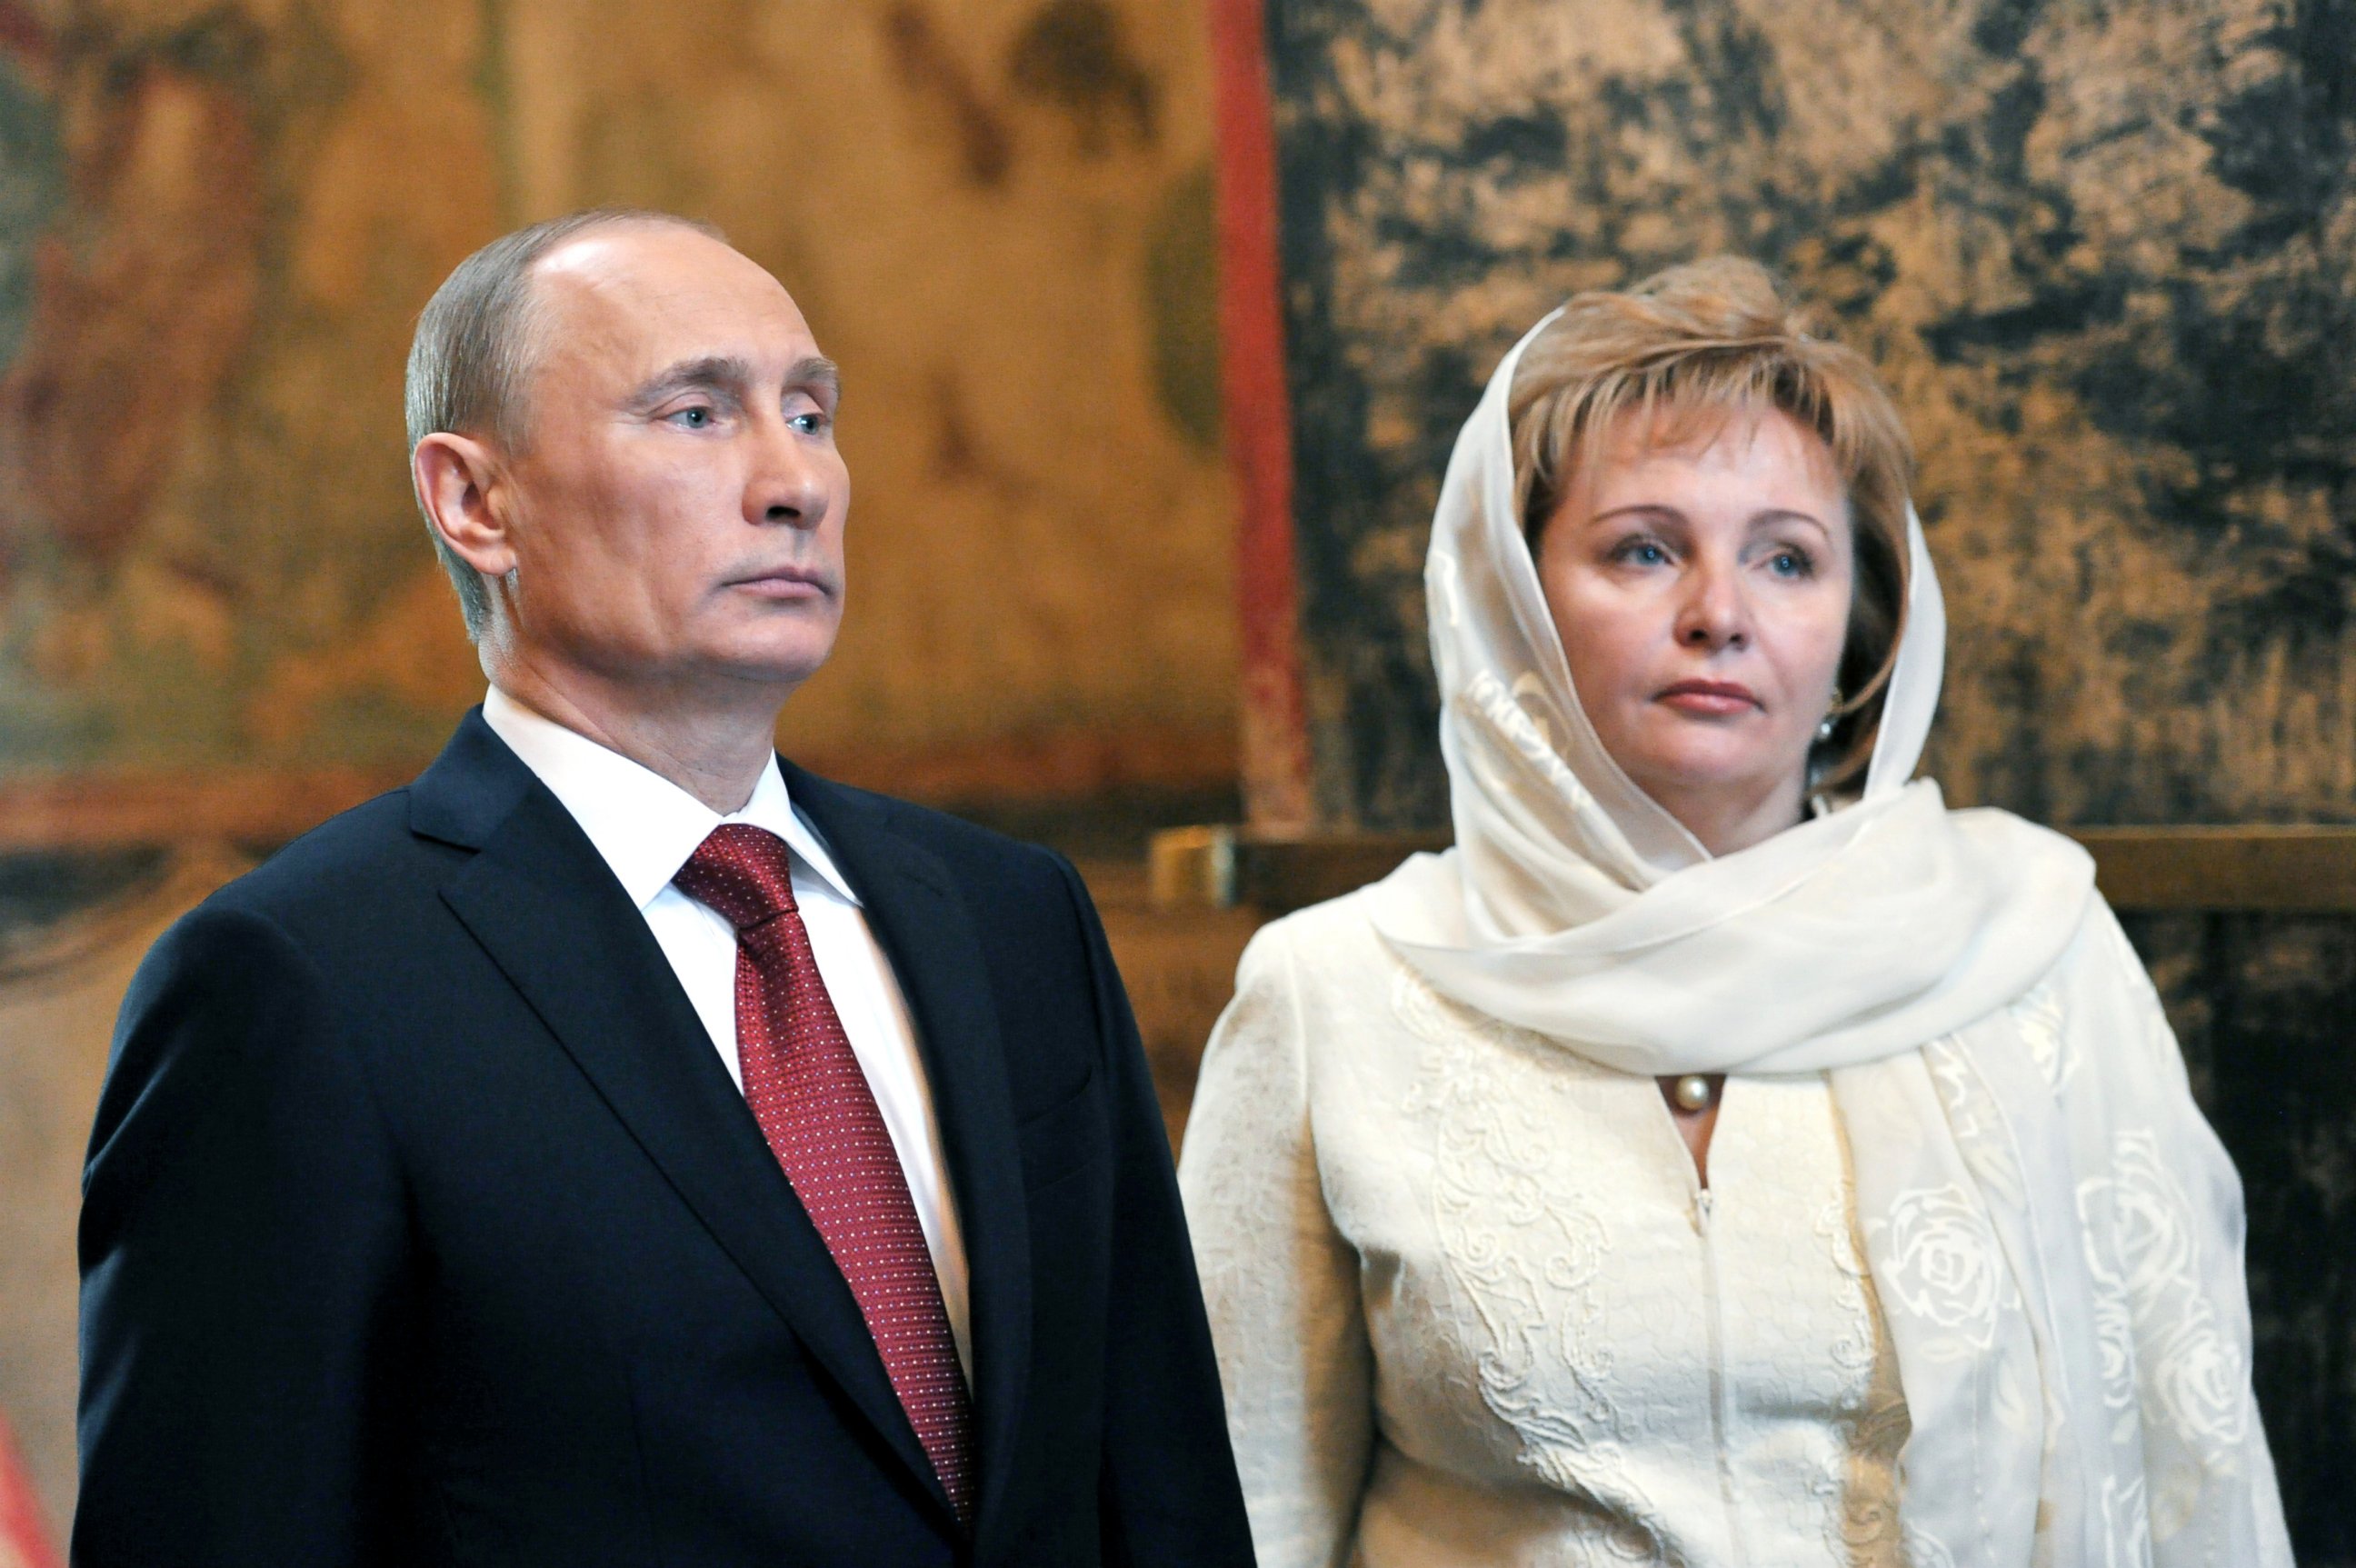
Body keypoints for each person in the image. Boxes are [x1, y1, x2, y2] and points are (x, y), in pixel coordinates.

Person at [75, 209, 1255, 1568]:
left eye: (810, 415)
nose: (792, 481)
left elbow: (1159, 1494)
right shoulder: (298, 984)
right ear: (475, 501)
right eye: (695, 414)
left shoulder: (1011, 918)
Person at [1178, 257, 2290, 1567]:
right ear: (1515, 608)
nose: (1720, 614)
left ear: (1855, 629)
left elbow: (2190, 1472)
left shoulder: (2030, 951)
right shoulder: (1336, 989)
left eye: (1787, 558)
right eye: (1644, 549)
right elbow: (1237, 1512)